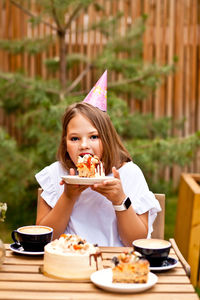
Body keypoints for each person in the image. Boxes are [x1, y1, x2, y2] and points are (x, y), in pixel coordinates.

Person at [35, 72, 161, 247]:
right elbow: (42, 239)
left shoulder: (129, 174)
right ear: (65, 143)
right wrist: (68, 196)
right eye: (74, 138)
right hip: (69, 261)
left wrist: (119, 200)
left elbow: (135, 242)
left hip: (115, 264)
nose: (84, 145)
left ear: (107, 138)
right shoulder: (56, 174)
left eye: (94, 137)